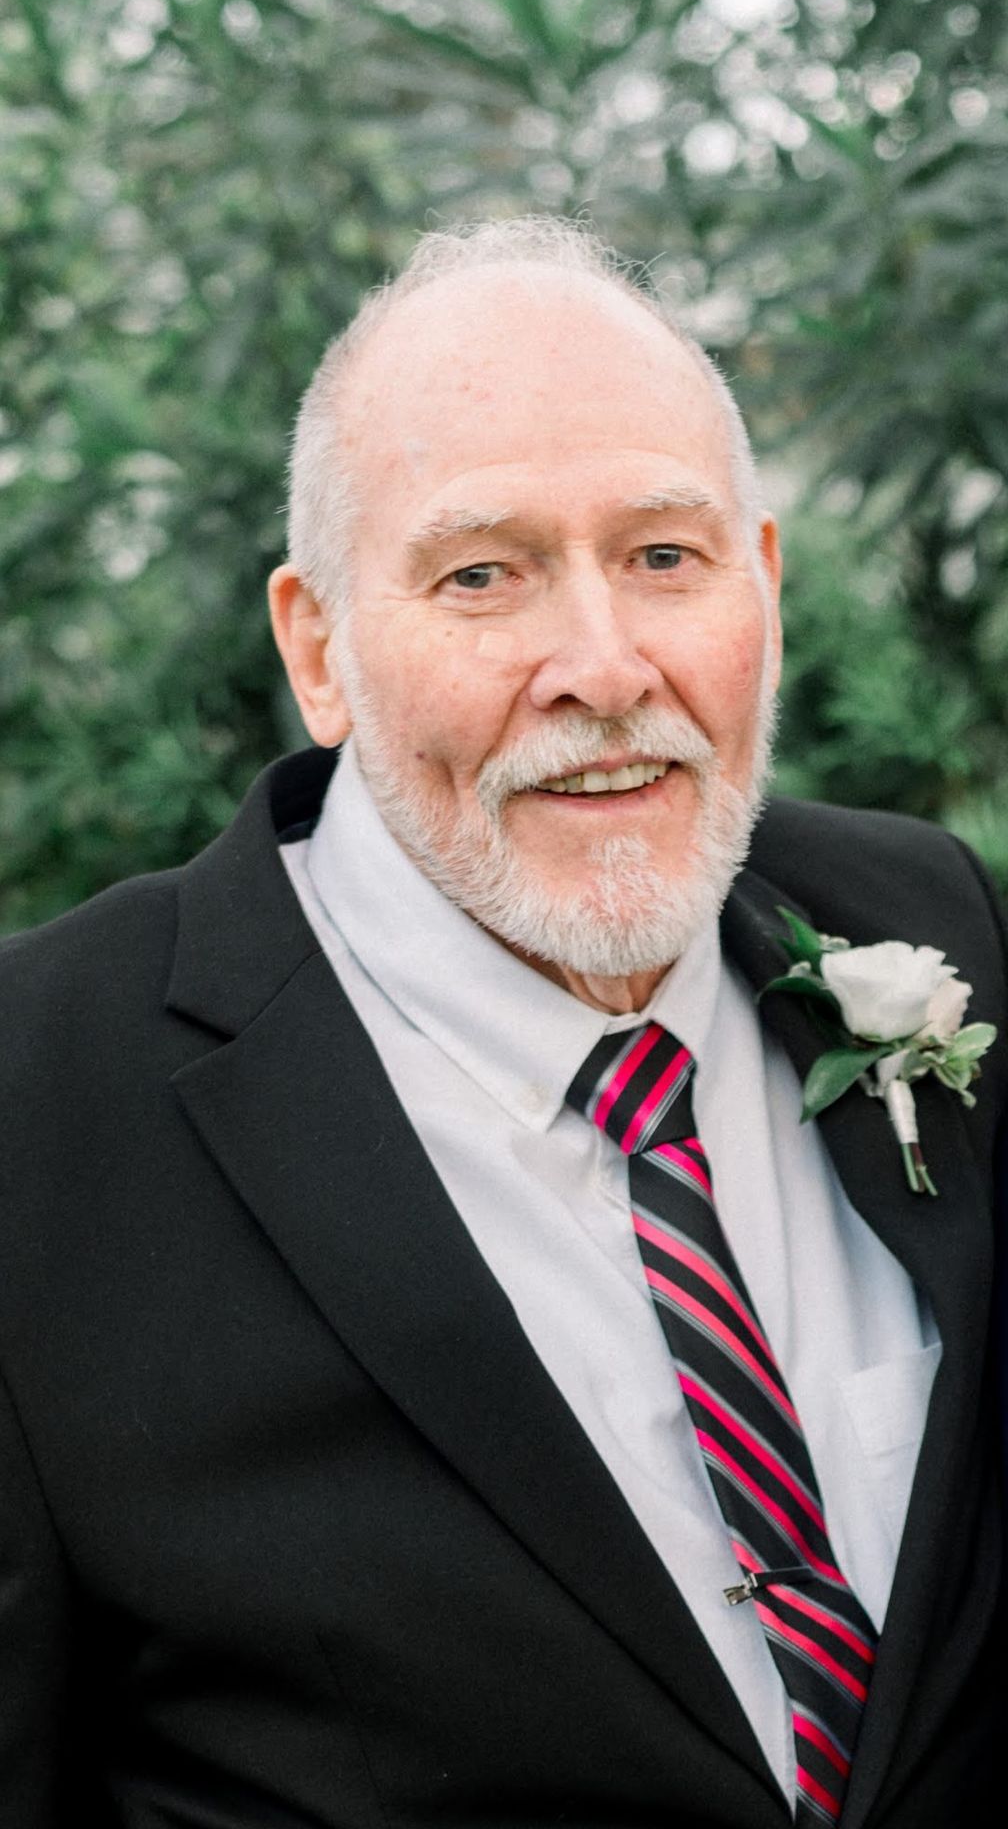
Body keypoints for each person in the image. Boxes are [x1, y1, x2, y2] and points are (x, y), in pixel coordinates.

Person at [0, 217, 1003, 1829]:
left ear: (763, 581)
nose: (604, 668)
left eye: (664, 557)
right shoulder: (39, 1102)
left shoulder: (934, 921)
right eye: (483, 576)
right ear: (318, 648)